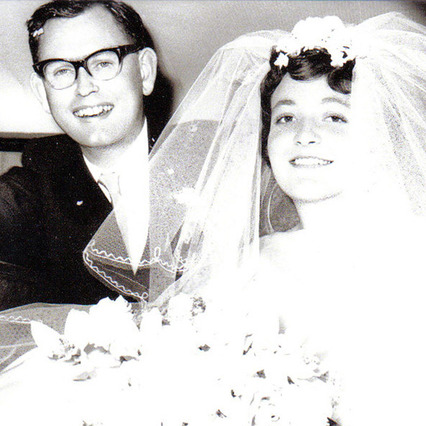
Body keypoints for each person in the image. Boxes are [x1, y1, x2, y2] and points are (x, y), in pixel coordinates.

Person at [0, 11, 425, 425]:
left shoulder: (409, 260)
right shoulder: (246, 266)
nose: (304, 135)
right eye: (285, 117)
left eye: (335, 116)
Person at [0, 0, 162, 308]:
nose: (84, 87)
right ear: (42, 92)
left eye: (103, 63)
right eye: (61, 71)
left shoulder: (217, 159)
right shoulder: (35, 184)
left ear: (145, 71)